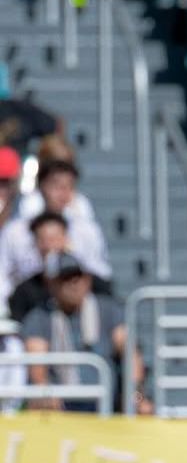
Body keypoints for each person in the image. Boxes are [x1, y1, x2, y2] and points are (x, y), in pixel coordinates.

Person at [21, 253, 148, 413]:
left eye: (78, 277)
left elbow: (129, 351)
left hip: (104, 403)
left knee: (142, 407)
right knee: (39, 403)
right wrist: (44, 391)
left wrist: (135, 393)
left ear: (88, 280)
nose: (73, 284)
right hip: (60, 405)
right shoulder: (40, 316)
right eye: (65, 279)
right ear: (52, 285)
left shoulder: (108, 309)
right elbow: (37, 364)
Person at [0, 160, 111, 311]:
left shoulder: (87, 231)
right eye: (56, 186)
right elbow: (3, 275)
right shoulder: (16, 232)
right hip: (27, 306)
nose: (63, 193)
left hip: (75, 310)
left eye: (69, 186)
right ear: (41, 187)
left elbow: (99, 272)